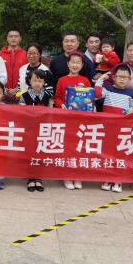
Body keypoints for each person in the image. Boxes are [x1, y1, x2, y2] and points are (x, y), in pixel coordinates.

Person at [95, 65, 133, 193]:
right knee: (107, 153)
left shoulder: (131, 94)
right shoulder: (107, 89)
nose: (122, 79)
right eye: (120, 76)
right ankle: (107, 178)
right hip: (108, 128)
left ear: (129, 79)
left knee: (120, 154)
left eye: (125, 77)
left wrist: (132, 110)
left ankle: (118, 180)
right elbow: (97, 94)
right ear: (114, 77)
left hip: (122, 130)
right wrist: (101, 79)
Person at [53, 52, 91, 191]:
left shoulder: (85, 80)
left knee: (80, 148)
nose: (75, 65)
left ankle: (78, 176)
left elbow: (89, 97)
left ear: (82, 65)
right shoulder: (62, 80)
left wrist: (90, 105)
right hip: (66, 119)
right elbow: (57, 97)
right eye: (73, 62)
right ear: (68, 64)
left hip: (81, 120)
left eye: (78, 63)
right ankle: (67, 176)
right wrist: (61, 104)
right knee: (67, 147)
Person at [19, 70, 51, 192]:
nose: (37, 83)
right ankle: (30, 178)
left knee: (40, 153)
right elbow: (19, 113)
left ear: (44, 82)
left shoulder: (47, 96)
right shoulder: (24, 96)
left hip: (43, 130)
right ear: (29, 81)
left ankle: (38, 178)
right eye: (35, 80)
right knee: (29, 153)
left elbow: (51, 112)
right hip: (29, 130)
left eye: (40, 81)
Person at [0, 29, 28, 99]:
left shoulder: (26, 55)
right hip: (2, 96)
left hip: (21, 96)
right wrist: (5, 90)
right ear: (7, 38)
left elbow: (29, 75)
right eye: (11, 36)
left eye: (16, 36)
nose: (13, 38)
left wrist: (17, 90)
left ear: (20, 38)